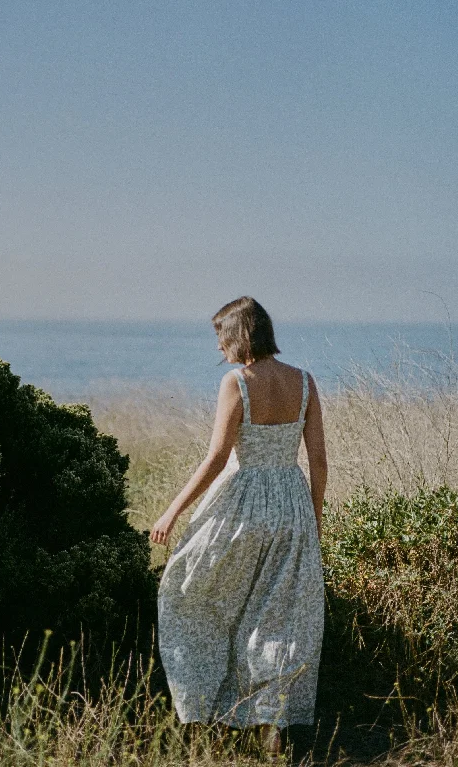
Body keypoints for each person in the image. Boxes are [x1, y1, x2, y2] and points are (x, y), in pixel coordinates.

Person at [150, 296, 327, 760]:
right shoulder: (305, 382)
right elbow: (318, 460)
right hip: (291, 505)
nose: (219, 346)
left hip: (244, 504)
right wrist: (314, 517)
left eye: (221, 335)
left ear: (240, 334)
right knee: (279, 620)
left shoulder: (237, 382)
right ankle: (271, 727)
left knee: (190, 594)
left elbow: (215, 459)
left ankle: (204, 713)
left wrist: (171, 512)